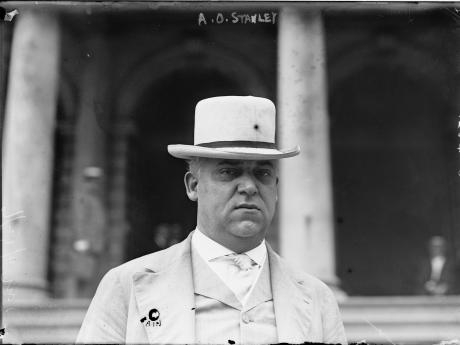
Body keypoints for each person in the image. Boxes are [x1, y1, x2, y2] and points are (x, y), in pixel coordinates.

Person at [76, 96, 347, 344]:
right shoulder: (126, 286)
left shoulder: (316, 297)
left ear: (276, 187)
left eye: (262, 174)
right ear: (193, 185)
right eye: (229, 172)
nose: (249, 187)